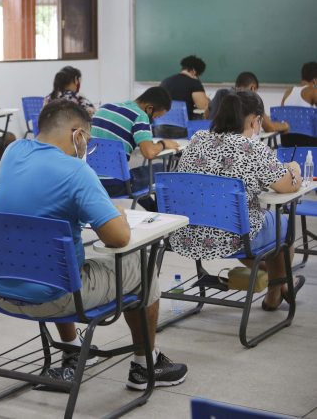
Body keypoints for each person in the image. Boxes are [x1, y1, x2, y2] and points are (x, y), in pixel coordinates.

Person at [0, 100, 187, 390]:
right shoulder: (76, 171)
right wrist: (117, 213)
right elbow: (118, 238)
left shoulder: (12, 152)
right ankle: (146, 365)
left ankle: (73, 350)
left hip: (1, 290)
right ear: (77, 134)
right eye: (88, 139)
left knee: (59, 259)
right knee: (141, 265)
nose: (87, 147)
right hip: (54, 297)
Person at [169, 91, 305, 310]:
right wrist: (294, 168)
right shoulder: (253, 149)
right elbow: (289, 185)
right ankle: (276, 291)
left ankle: (278, 283)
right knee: (283, 225)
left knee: (250, 222)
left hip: (187, 234)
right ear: (253, 120)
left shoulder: (197, 139)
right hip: (234, 238)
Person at [91, 87, 179, 211]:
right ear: (149, 108)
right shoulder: (140, 116)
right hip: (117, 185)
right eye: (156, 117)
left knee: (138, 176)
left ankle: (153, 209)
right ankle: (165, 214)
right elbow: (149, 152)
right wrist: (163, 144)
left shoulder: (104, 108)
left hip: (91, 181)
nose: (153, 120)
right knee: (164, 168)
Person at [208, 71, 290, 132]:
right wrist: (285, 125)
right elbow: (270, 128)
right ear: (252, 88)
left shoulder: (221, 93)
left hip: (214, 140)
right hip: (238, 144)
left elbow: (207, 114)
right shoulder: (251, 99)